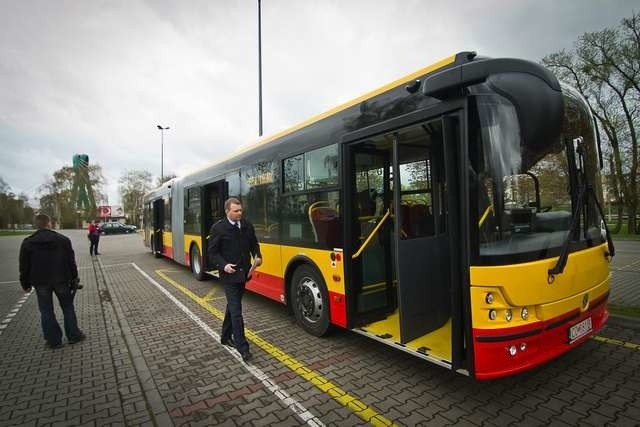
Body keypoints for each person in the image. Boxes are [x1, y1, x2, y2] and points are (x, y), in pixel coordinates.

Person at [19, 213, 86, 349]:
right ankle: (73, 335)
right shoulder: (63, 240)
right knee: (67, 307)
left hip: (40, 282)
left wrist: (25, 284)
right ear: (49, 223)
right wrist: (75, 278)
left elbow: (24, 266)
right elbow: (71, 262)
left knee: (46, 310)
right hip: (61, 280)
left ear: (36, 225)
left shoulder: (28, 242)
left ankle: (54, 341)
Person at [208, 198, 262, 362]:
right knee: (237, 311)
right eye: (236, 211)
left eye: (240, 210)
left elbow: (254, 244)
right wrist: (223, 265)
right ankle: (243, 348)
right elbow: (212, 253)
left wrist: (258, 256)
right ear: (227, 211)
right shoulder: (218, 228)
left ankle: (225, 336)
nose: (240, 213)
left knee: (232, 307)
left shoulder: (246, 225)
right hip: (229, 276)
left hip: (244, 274)